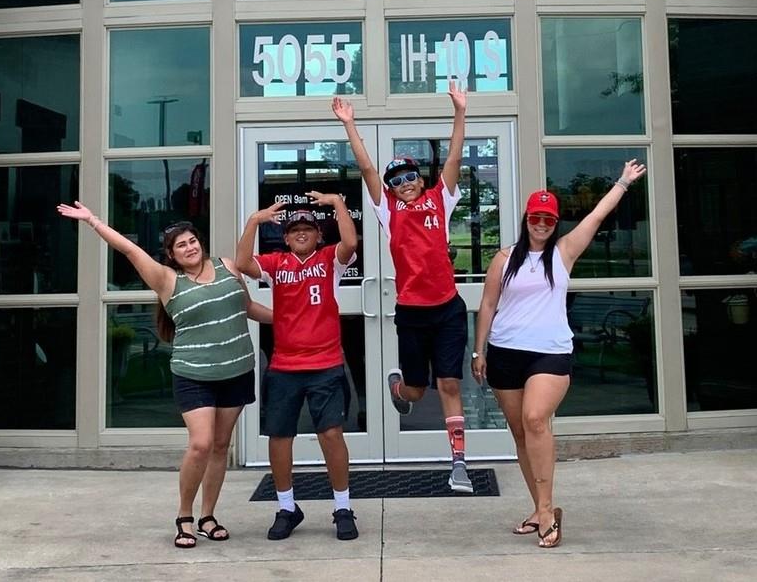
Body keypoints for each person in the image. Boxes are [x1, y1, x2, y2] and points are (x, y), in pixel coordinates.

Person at [55, 201, 272, 550]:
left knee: (220, 446)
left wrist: (291, 320)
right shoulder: (167, 280)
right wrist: (93, 220)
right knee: (201, 444)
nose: (190, 247)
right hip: (194, 374)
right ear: (171, 255)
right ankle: (184, 516)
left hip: (236, 369)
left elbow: (248, 309)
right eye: (181, 245)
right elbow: (128, 248)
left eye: (192, 240)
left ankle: (208, 516)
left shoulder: (228, 266)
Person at [472, 163, 647, 549]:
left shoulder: (565, 252)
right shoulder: (504, 258)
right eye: (536, 217)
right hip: (504, 352)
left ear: (555, 222)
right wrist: (478, 350)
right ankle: (538, 508)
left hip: (549, 354)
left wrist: (621, 182)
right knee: (520, 432)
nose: (541, 224)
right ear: (526, 219)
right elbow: (487, 305)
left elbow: (597, 215)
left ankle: (549, 510)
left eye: (548, 219)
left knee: (536, 419)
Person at [332, 82, 473, 492]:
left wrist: (460, 112)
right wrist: (350, 126)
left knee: (448, 383)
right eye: (398, 179)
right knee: (414, 389)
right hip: (411, 313)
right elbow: (368, 170)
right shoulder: (389, 211)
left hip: (447, 308)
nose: (405, 182)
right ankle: (399, 386)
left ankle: (459, 463)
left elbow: (455, 155)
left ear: (420, 177)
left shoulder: (438, 199)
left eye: (410, 175)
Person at [236, 191, 360, 541]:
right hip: (285, 365)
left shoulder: (328, 260)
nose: (301, 233)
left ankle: (342, 507)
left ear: (319, 234)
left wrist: (337, 204)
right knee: (279, 436)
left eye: (308, 228)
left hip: (326, 363)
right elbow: (244, 263)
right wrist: (253, 222)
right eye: (294, 230)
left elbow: (350, 242)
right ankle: (287, 507)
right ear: (286, 237)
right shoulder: (277, 264)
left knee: (331, 434)